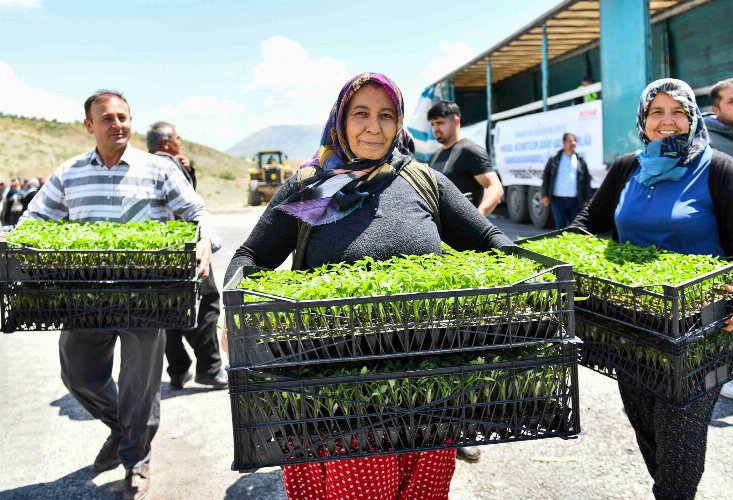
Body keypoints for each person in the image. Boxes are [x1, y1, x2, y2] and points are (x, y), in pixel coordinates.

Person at [223, 72, 514, 500]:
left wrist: (531, 273)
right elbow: (251, 257)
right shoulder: (316, 188)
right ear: (340, 119)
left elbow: (489, 240)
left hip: (429, 388)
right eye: (361, 114)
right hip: (340, 395)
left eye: (386, 115)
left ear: (398, 124)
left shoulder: (421, 180)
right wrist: (231, 312)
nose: (373, 127)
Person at [20, 89, 220, 500]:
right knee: (79, 374)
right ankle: (121, 427)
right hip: (86, 296)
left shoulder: (157, 169)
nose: (118, 125)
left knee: (139, 384)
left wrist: (202, 241)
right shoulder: (70, 172)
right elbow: (33, 220)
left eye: (124, 117)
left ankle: (136, 460)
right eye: (108, 119)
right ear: (89, 126)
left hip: (147, 296)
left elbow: (197, 212)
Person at [570, 78, 733, 499]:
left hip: (700, 326)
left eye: (678, 112)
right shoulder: (627, 167)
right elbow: (587, 226)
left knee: (681, 427)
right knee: (646, 419)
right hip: (631, 323)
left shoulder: (719, 167)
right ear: (643, 119)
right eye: (657, 112)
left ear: (692, 118)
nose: (667, 122)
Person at [146, 121, 227, 390]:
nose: (180, 142)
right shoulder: (169, 165)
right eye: (177, 138)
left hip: (158, 252)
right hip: (187, 250)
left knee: (168, 312)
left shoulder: (141, 165)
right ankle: (210, 369)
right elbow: (190, 205)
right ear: (167, 142)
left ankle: (178, 371)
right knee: (205, 306)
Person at [704, 77, 733, 400]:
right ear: (716, 109)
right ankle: (720, 375)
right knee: (721, 309)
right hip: (726, 240)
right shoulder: (713, 142)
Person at [427, 100, 504, 217]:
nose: (435, 129)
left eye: (440, 122)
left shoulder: (470, 151)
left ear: (456, 121)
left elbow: (496, 187)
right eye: (432, 124)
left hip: (466, 232)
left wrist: (479, 217)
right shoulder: (435, 156)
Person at [541, 132, 592, 229]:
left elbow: (586, 180)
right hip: (558, 199)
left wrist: (587, 199)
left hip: (575, 201)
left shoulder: (580, 161)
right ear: (564, 143)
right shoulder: (554, 160)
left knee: (575, 227)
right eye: (570, 141)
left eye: (574, 141)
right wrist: (545, 195)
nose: (573, 143)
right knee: (560, 226)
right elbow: (546, 178)